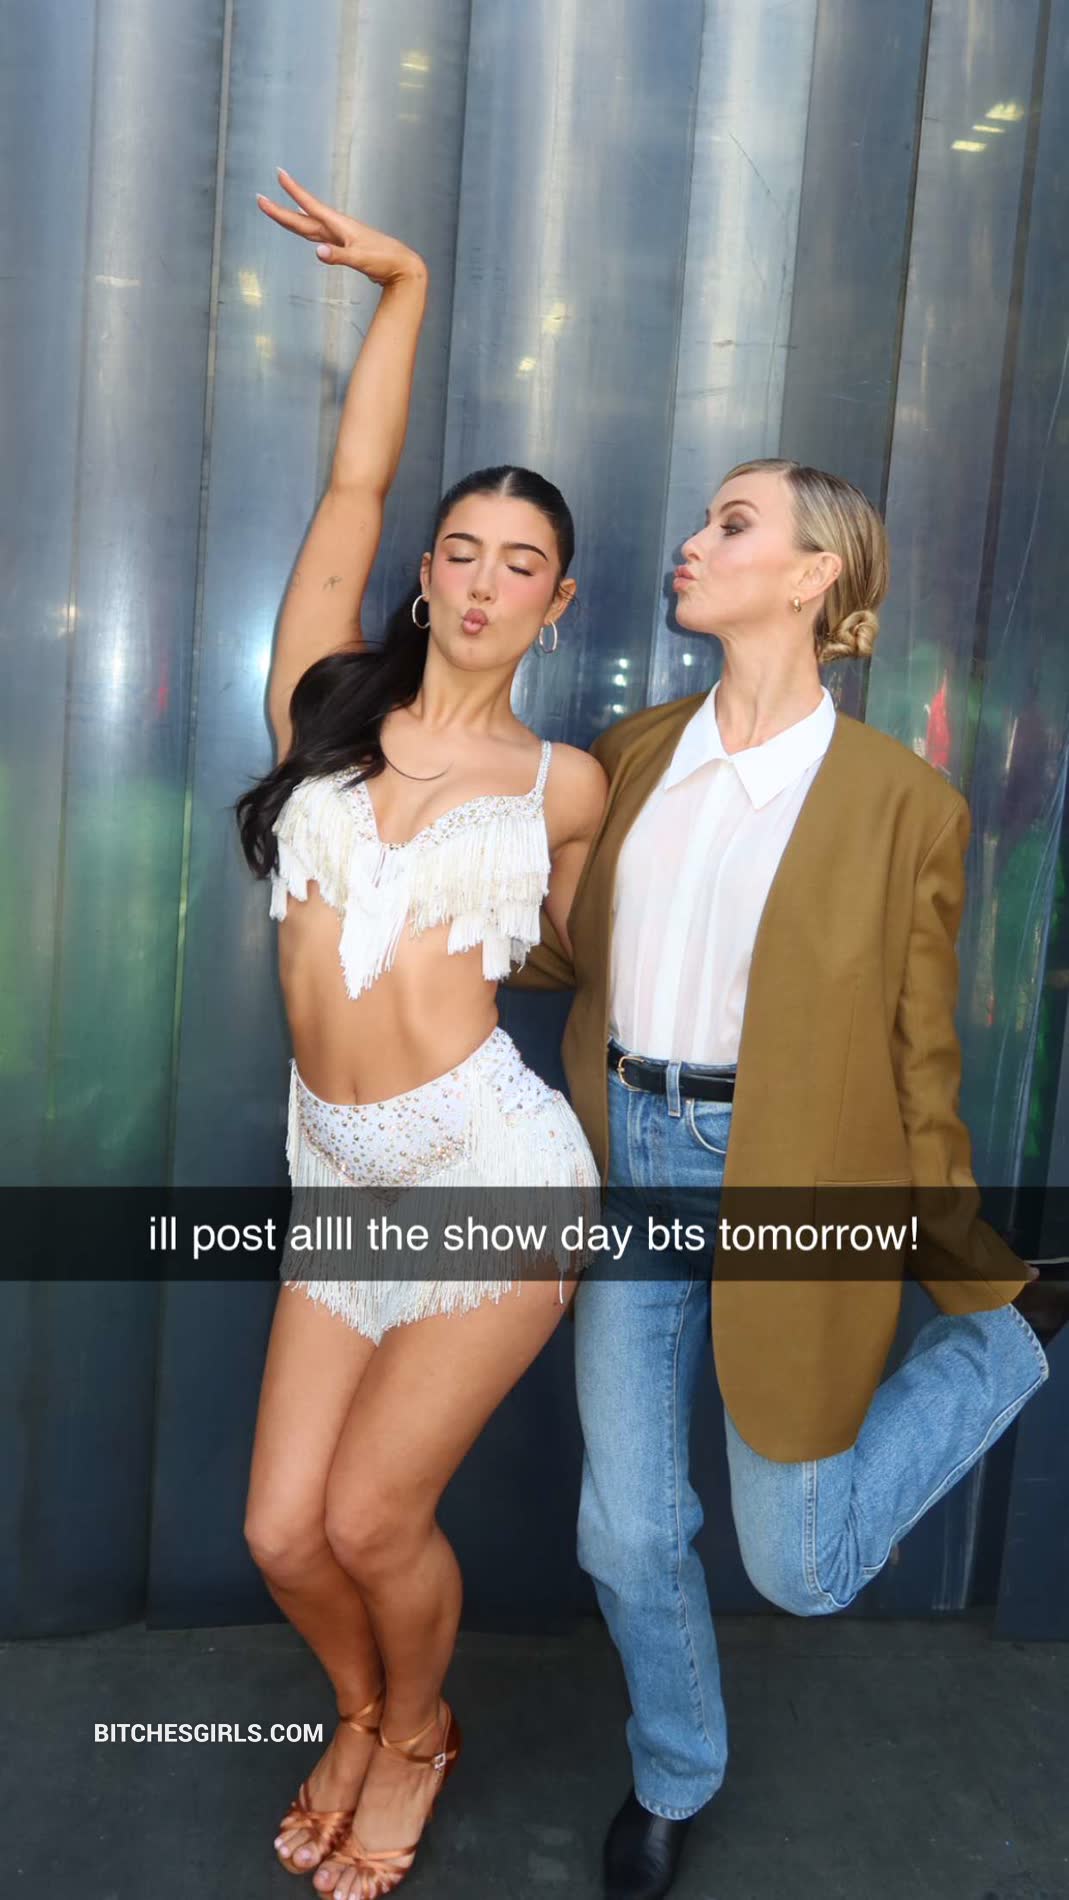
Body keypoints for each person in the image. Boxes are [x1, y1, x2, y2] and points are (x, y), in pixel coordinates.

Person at [507, 458, 1060, 1900]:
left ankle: (1011, 1339)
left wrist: (962, 1264)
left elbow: (920, 1062)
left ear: (816, 576)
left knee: (802, 1567)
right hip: (628, 1166)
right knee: (625, 1533)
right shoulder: (629, 756)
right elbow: (562, 954)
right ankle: (673, 1774)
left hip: (793, 1182)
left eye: (732, 524)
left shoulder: (905, 805)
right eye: (702, 518)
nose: (692, 541)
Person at [235, 171, 606, 1900]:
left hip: (486, 1167)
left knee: (374, 1518)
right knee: (280, 1531)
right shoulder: (322, 700)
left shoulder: (563, 783)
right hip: (337, 1170)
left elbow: (567, 959)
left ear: (556, 602)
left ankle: (411, 1737)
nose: (480, 578)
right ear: (425, 576)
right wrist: (405, 287)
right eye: (462, 549)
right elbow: (353, 481)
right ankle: (365, 1707)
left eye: (519, 563)